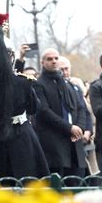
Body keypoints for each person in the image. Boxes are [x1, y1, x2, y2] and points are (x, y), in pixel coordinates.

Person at [0, 25, 49, 179]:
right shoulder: (23, 82)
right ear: (12, 58)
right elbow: (34, 108)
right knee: (31, 186)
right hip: (24, 139)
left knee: (2, 189)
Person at [34, 48, 87, 176]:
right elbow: (44, 112)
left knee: (76, 185)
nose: (54, 61)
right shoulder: (38, 84)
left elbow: (80, 108)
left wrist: (79, 128)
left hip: (74, 143)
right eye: (49, 59)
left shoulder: (67, 84)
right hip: (54, 146)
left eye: (56, 58)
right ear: (42, 62)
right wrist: (69, 128)